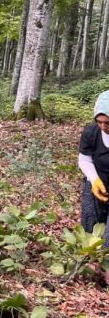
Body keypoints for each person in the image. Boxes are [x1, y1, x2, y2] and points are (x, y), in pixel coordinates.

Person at [78, 90, 109, 285]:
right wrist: (95, 180)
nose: (104, 127)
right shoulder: (91, 132)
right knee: (91, 221)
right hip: (97, 181)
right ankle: (93, 261)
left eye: (108, 122)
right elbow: (84, 158)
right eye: (100, 122)